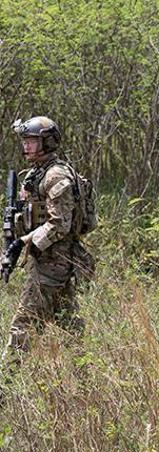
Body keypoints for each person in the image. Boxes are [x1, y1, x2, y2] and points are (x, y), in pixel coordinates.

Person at [1, 116, 94, 369]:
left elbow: (59, 225)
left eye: (31, 141)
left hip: (54, 264)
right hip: (47, 261)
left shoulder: (56, 176)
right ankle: (88, 378)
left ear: (48, 142)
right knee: (69, 326)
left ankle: (5, 387)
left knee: (23, 326)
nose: (26, 146)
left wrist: (22, 242)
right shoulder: (35, 174)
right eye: (25, 141)